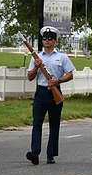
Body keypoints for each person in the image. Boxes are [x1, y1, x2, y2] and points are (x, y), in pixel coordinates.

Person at [25, 26, 75, 165]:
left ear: (55, 41)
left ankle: (51, 154)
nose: (47, 41)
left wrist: (58, 80)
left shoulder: (62, 57)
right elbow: (30, 77)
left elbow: (70, 74)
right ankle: (35, 152)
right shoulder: (36, 57)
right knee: (37, 123)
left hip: (55, 91)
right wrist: (36, 66)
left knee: (54, 124)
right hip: (41, 92)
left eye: (50, 38)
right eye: (45, 38)